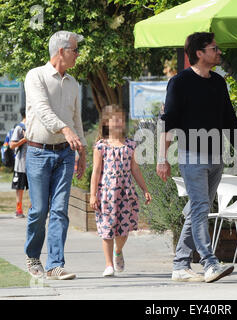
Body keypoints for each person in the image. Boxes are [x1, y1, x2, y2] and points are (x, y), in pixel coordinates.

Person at [157, 32, 237, 283]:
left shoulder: (218, 82)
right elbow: (169, 122)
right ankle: (209, 263)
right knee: (200, 207)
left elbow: (229, 119)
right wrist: (162, 158)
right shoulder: (179, 82)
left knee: (197, 210)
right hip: (192, 155)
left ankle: (180, 265)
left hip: (215, 156)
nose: (219, 52)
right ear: (199, 53)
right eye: (214, 48)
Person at [24, 31, 87, 280]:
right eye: (74, 50)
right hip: (38, 152)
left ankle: (55, 264)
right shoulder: (35, 76)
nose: (78, 54)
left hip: (65, 154)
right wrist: (65, 129)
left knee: (60, 210)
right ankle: (32, 256)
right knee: (39, 210)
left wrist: (81, 151)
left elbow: (77, 120)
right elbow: (42, 110)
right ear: (61, 51)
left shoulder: (73, 83)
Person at [90, 104, 152, 277]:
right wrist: (93, 195)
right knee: (107, 229)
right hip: (106, 195)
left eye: (121, 119)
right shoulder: (100, 147)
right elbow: (95, 172)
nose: (119, 123)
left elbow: (136, 170)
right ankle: (109, 264)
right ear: (106, 123)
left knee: (123, 230)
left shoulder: (131, 145)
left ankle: (118, 250)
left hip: (126, 193)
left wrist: (145, 189)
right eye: (115, 119)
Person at [10, 106, 28, 218]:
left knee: (34, 187)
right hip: (20, 163)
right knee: (19, 188)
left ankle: (33, 209)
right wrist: (24, 139)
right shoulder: (19, 128)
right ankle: (19, 209)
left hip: (33, 163)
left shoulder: (33, 126)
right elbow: (12, 145)